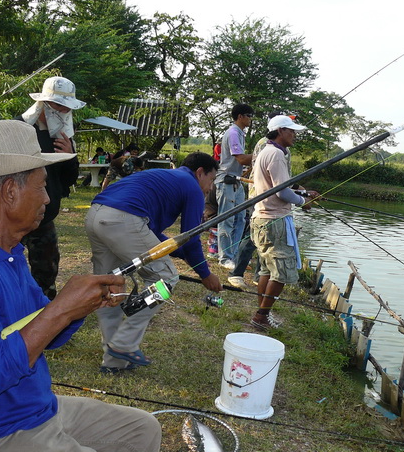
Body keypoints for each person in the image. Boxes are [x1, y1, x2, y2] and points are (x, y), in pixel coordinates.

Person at [0, 120, 161, 452]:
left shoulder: (8, 251)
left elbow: (47, 331)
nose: (47, 198)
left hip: (33, 409)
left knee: (143, 429)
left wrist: (76, 308)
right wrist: (61, 309)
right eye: (42, 186)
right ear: (10, 191)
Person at [85, 152, 223, 372]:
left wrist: (183, 254)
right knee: (166, 278)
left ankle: (114, 362)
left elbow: (154, 236)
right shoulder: (191, 186)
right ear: (200, 173)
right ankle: (124, 344)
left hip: (96, 214)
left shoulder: (166, 177)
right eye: (211, 179)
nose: (210, 187)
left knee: (110, 287)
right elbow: (191, 237)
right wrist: (205, 274)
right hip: (123, 219)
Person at [16, 76, 83, 299]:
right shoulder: (20, 128)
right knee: (8, 262)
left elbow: (68, 180)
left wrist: (69, 157)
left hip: (44, 215)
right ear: (43, 103)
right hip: (15, 212)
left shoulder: (63, 137)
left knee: (47, 267)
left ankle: (43, 307)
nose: (62, 111)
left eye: (66, 108)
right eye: (57, 105)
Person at [250, 115, 315, 331]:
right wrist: (303, 201)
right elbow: (281, 191)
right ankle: (260, 316)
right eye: (292, 131)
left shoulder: (265, 152)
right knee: (281, 272)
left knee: (267, 270)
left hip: (261, 218)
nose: (295, 135)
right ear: (280, 131)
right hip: (274, 221)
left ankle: (262, 313)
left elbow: (275, 186)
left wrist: (302, 192)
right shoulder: (276, 154)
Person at [215, 104, 254, 270]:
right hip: (226, 181)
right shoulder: (233, 133)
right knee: (227, 219)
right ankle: (224, 258)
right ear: (240, 116)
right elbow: (241, 159)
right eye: (249, 115)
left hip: (236, 182)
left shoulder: (240, 133)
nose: (251, 118)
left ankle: (234, 254)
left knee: (240, 219)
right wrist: (263, 154)